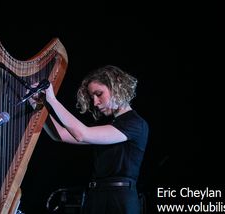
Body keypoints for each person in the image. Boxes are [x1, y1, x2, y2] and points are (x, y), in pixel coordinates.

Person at [34, 65, 149, 214]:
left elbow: (81, 134)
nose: (95, 102)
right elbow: (60, 135)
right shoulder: (107, 124)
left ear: (117, 87)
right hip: (95, 196)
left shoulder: (135, 123)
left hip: (119, 200)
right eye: (92, 97)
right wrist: (39, 107)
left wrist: (52, 100)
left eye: (99, 94)